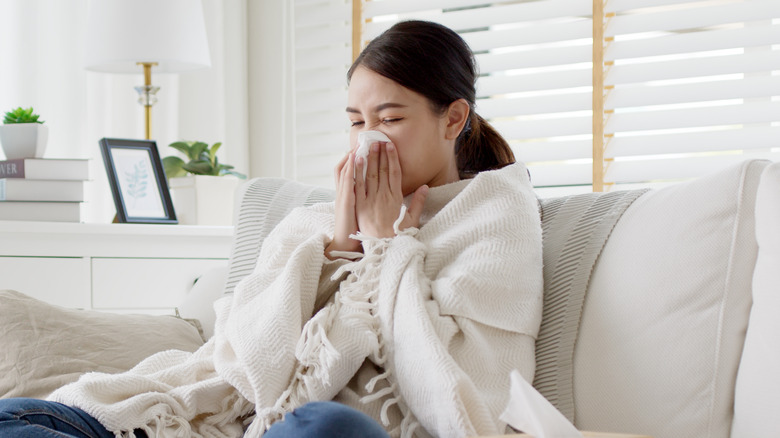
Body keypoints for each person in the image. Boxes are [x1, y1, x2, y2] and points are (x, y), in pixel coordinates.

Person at [0, 20, 543, 438]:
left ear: (453, 118)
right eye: (357, 121)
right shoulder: (313, 223)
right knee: (16, 416)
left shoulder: (493, 219)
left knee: (330, 426)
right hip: (201, 420)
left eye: (390, 119)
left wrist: (386, 246)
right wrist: (336, 246)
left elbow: (454, 400)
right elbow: (243, 362)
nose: (368, 140)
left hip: (320, 428)